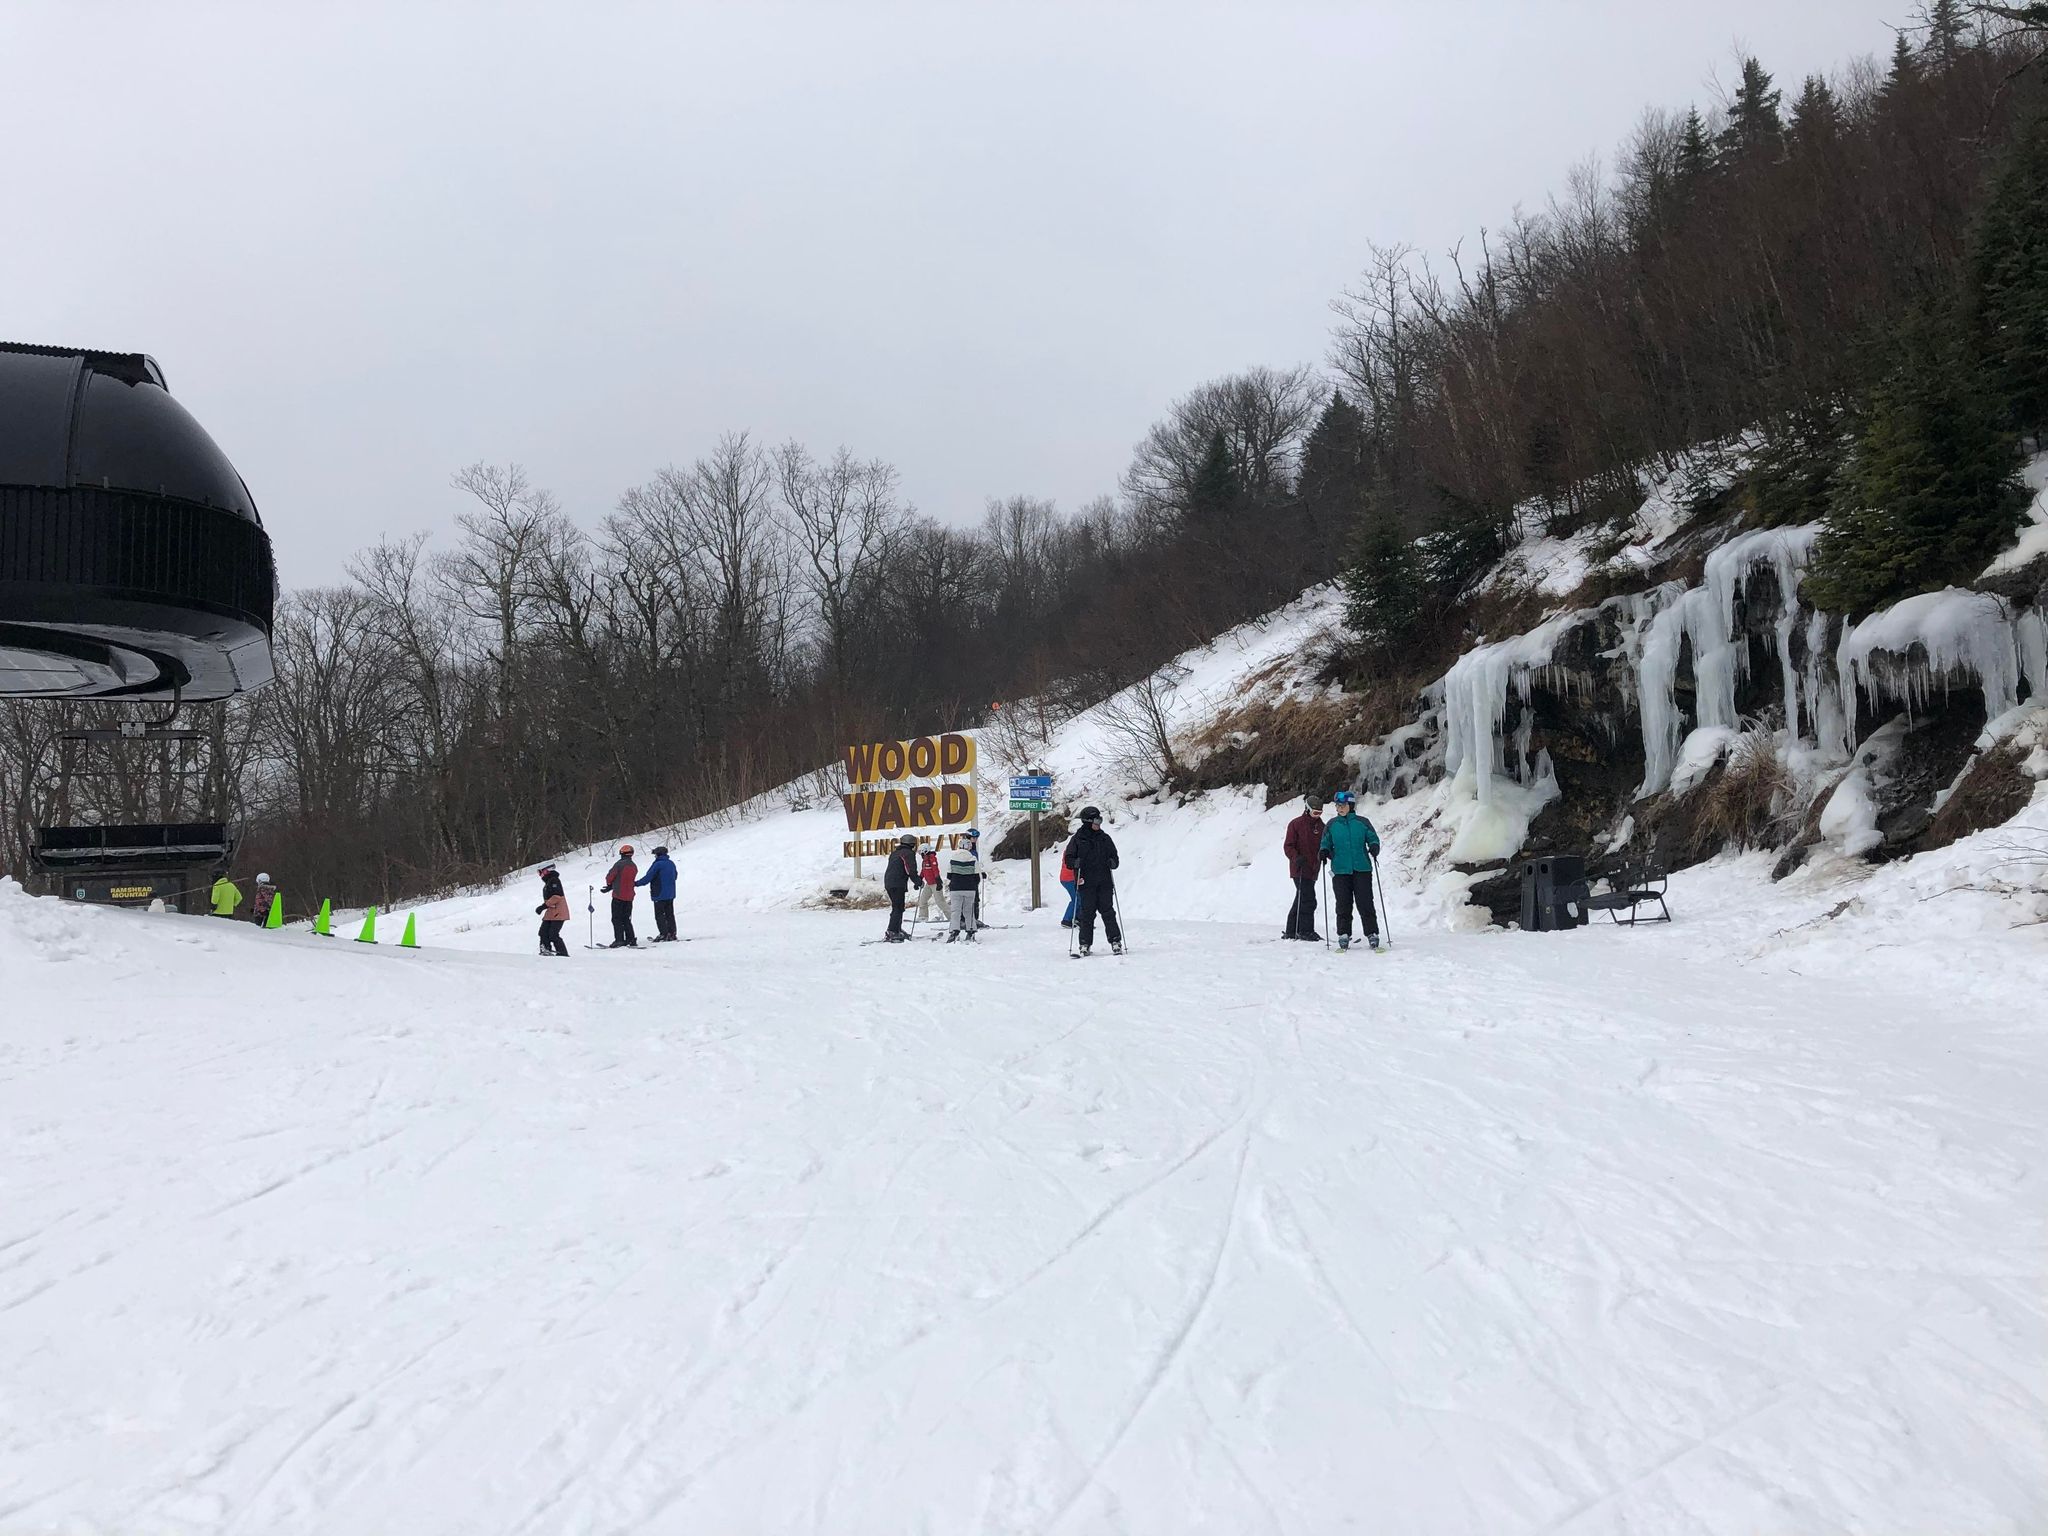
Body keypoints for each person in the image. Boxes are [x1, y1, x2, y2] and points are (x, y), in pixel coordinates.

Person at [1319, 790, 1383, 952]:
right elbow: (1325, 842)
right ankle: (1343, 933)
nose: (1339, 808)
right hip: (1340, 870)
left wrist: (1374, 846)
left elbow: (1373, 837)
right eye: (1337, 805)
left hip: (1362, 868)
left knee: (1365, 902)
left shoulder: (1362, 822)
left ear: (1351, 805)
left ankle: (1372, 933)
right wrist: (1324, 851)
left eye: (1343, 805)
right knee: (1343, 903)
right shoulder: (1332, 824)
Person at [1063, 806, 1123, 955]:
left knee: (1108, 912)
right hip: (1086, 883)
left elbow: (1115, 857)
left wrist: (1113, 862)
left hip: (1104, 882)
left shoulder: (1105, 838)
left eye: (1100, 820)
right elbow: (1068, 859)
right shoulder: (1078, 840)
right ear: (1088, 822)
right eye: (1097, 820)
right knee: (1087, 914)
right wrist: (1075, 863)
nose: (1099, 823)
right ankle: (1085, 944)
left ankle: (1115, 941)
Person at [1281, 793, 1325, 941]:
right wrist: (1296, 857)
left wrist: (1325, 854)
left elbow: (1324, 844)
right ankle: (1305, 930)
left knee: (1301, 898)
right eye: (1315, 813)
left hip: (1313, 869)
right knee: (1308, 899)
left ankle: (1291, 930)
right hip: (1299, 868)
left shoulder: (1321, 826)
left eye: (1320, 813)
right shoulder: (1296, 824)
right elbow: (1288, 846)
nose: (1317, 816)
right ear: (1307, 809)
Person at [942, 828, 982, 942]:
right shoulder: (973, 858)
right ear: (969, 847)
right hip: (969, 888)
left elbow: (949, 875)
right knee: (969, 911)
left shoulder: (953, 858)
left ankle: (954, 932)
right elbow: (977, 876)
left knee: (955, 911)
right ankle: (970, 932)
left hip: (956, 888)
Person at [882, 833, 921, 942]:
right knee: (898, 907)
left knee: (898, 906)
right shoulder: (908, 853)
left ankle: (897, 929)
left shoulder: (895, 853)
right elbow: (910, 869)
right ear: (912, 844)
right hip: (897, 883)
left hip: (889, 882)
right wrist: (917, 881)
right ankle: (892, 931)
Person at [601, 843, 640, 948]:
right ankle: (631, 938)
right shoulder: (634, 866)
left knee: (616, 919)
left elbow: (610, 876)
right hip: (629, 896)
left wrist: (610, 885)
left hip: (618, 896)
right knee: (626, 919)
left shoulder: (619, 864)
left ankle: (619, 939)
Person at [643, 845, 679, 942]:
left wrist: (636, 883)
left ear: (658, 854)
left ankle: (664, 934)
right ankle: (672, 933)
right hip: (670, 894)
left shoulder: (657, 864)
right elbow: (675, 876)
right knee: (669, 914)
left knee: (659, 915)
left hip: (659, 893)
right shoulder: (671, 863)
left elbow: (648, 877)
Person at [535, 863, 571, 956]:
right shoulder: (549, 881)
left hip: (558, 913)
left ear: (546, 871)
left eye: (540, 872)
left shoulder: (554, 880)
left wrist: (543, 906)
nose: (540, 875)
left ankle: (563, 953)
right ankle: (545, 949)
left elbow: (556, 896)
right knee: (543, 932)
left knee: (553, 934)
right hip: (551, 912)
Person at [916, 844, 943, 926]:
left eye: (921, 852)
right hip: (929, 883)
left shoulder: (932, 858)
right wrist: (919, 879)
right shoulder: (925, 860)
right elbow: (923, 870)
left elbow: (935, 869)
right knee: (922, 900)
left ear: (925, 851)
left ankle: (951, 917)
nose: (920, 854)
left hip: (935, 883)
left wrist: (938, 880)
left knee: (940, 902)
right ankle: (923, 916)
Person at [1059, 843, 1079, 927]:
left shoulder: (1071, 850)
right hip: (1069, 879)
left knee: (1079, 898)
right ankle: (1067, 919)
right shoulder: (1072, 851)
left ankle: (1077, 917)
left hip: (1069, 878)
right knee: (1077, 899)